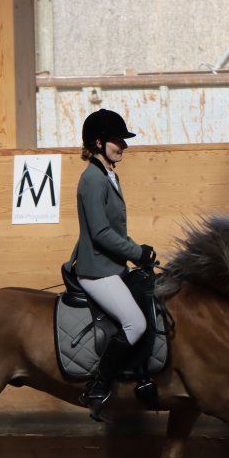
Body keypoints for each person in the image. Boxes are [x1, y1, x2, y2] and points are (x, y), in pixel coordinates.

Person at [65, 108, 155, 420]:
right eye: (118, 140)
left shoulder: (108, 175)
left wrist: (136, 254)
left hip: (112, 265)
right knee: (136, 323)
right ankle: (99, 385)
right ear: (99, 142)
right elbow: (101, 232)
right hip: (97, 271)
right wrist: (136, 252)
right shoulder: (92, 179)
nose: (124, 146)